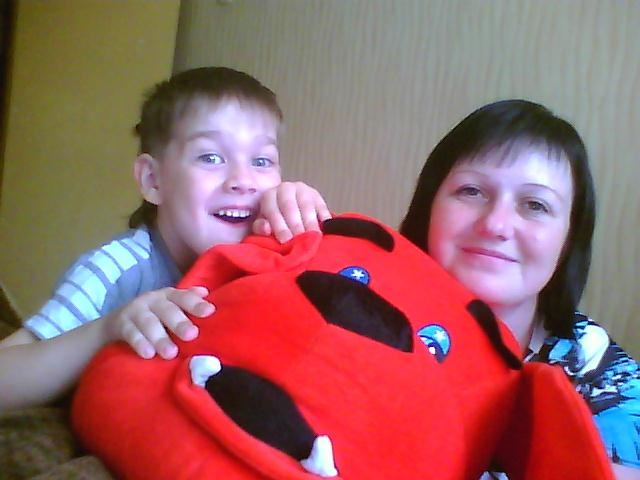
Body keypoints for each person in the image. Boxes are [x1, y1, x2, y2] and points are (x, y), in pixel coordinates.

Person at [260, 99, 639, 478]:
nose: (496, 225)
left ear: (569, 238)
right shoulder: (362, 302)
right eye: (472, 191)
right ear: (429, 206)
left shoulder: (592, 364)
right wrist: (276, 221)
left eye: (535, 205)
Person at [0, 66, 330, 411]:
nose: (243, 181)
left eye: (262, 161)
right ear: (153, 181)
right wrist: (105, 330)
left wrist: (309, 220)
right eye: (211, 157)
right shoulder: (116, 269)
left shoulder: (268, 245)